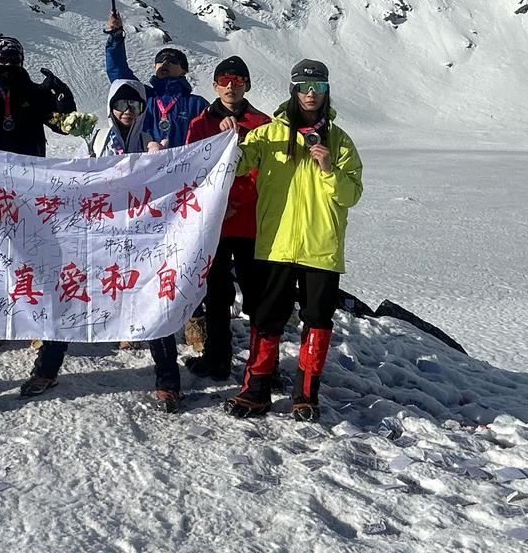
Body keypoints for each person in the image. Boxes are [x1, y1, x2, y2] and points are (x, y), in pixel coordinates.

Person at [220, 60, 363, 422]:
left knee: (317, 319)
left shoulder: (340, 141)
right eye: (304, 86)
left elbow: (351, 195)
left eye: (318, 87)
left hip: (321, 248)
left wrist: (329, 170)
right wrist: (230, 137)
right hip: (277, 244)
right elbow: (236, 164)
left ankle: (305, 395)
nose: (311, 93)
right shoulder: (268, 134)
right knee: (267, 318)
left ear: (326, 91)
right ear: (294, 90)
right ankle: (256, 391)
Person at [0, 35, 97, 398]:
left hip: (32, 194)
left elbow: (65, 125)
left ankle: (48, 360)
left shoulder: (32, 91)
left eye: (15, 57)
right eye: (2, 58)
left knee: (41, 268)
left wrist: (65, 99)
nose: (8, 64)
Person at [91, 78, 185, 412]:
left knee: (154, 297)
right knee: (77, 291)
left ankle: (168, 380)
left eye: (134, 106)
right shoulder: (97, 140)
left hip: (145, 235)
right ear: (110, 107)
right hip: (102, 232)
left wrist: (159, 158)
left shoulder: (149, 142)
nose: (127, 112)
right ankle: (47, 367)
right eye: (120, 105)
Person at [183, 56, 271, 380]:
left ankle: (262, 365)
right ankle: (216, 358)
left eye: (237, 79)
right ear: (215, 85)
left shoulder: (263, 125)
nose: (231, 85)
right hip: (214, 225)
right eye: (224, 79)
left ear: (246, 84)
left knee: (258, 297)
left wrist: (234, 201)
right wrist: (218, 204)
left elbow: (264, 173)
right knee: (216, 295)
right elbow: (194, 171)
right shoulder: (199, 125)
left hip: (249, 223)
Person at [104, 11, 207, 149]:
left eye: (172, 60)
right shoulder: (143, 96)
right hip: (145, 164)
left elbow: (213, 131)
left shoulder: (196, 104)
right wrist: (115, 36)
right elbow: (119, 74)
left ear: (184, 70)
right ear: (154, 66)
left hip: (182, 167)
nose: (165, 63)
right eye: (160, 60)